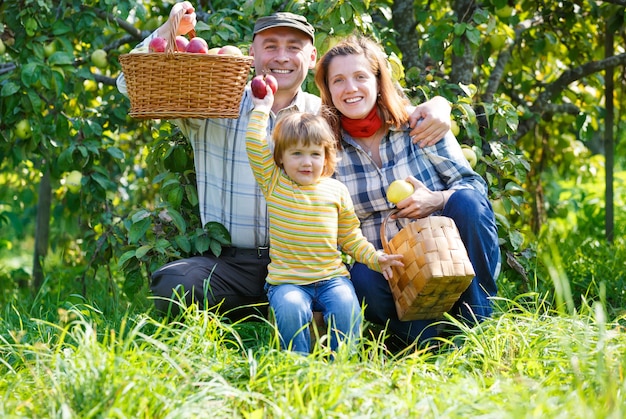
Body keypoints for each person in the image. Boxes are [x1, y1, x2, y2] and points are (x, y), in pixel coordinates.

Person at [117, 1, 452, 322]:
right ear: (252, 54)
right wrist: (168, 29)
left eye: (293, 47)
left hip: (308, 263)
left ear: (311, 57)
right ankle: (265, 311)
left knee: (349, 291)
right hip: (233, 264)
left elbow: (378, 110)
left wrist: (440, 105)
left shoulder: (326, 113)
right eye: (270, 45)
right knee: (173, 285)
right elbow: (129, 84)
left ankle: (293, 313)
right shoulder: (215, 102)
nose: (282, 56)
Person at [314, 35, 501, 347]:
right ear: (328, 89)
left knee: (467, 201)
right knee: (361, 276)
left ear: (377, 80)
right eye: (338, 80)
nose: (350, 88)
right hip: (390, 273)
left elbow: (475, 188)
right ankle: (420, 341)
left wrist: (435, 199)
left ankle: (476, 325)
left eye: (360, 77)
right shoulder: (327, 147)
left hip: (445, 259)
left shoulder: (418, 125)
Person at [245, 88, 403, 353]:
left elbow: (351, 238)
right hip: (288, 282)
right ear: (280, 158)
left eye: (315, 154)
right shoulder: (274, 183)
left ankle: (341, 364)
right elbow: (253, 143)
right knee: (290, 307)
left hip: (332, 279)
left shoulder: (336, 191)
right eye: (296, 154)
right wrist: (262, 107)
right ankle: (297, 365)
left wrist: (376, 258)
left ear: (326, 157)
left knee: (346, 307)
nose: (306, 162)